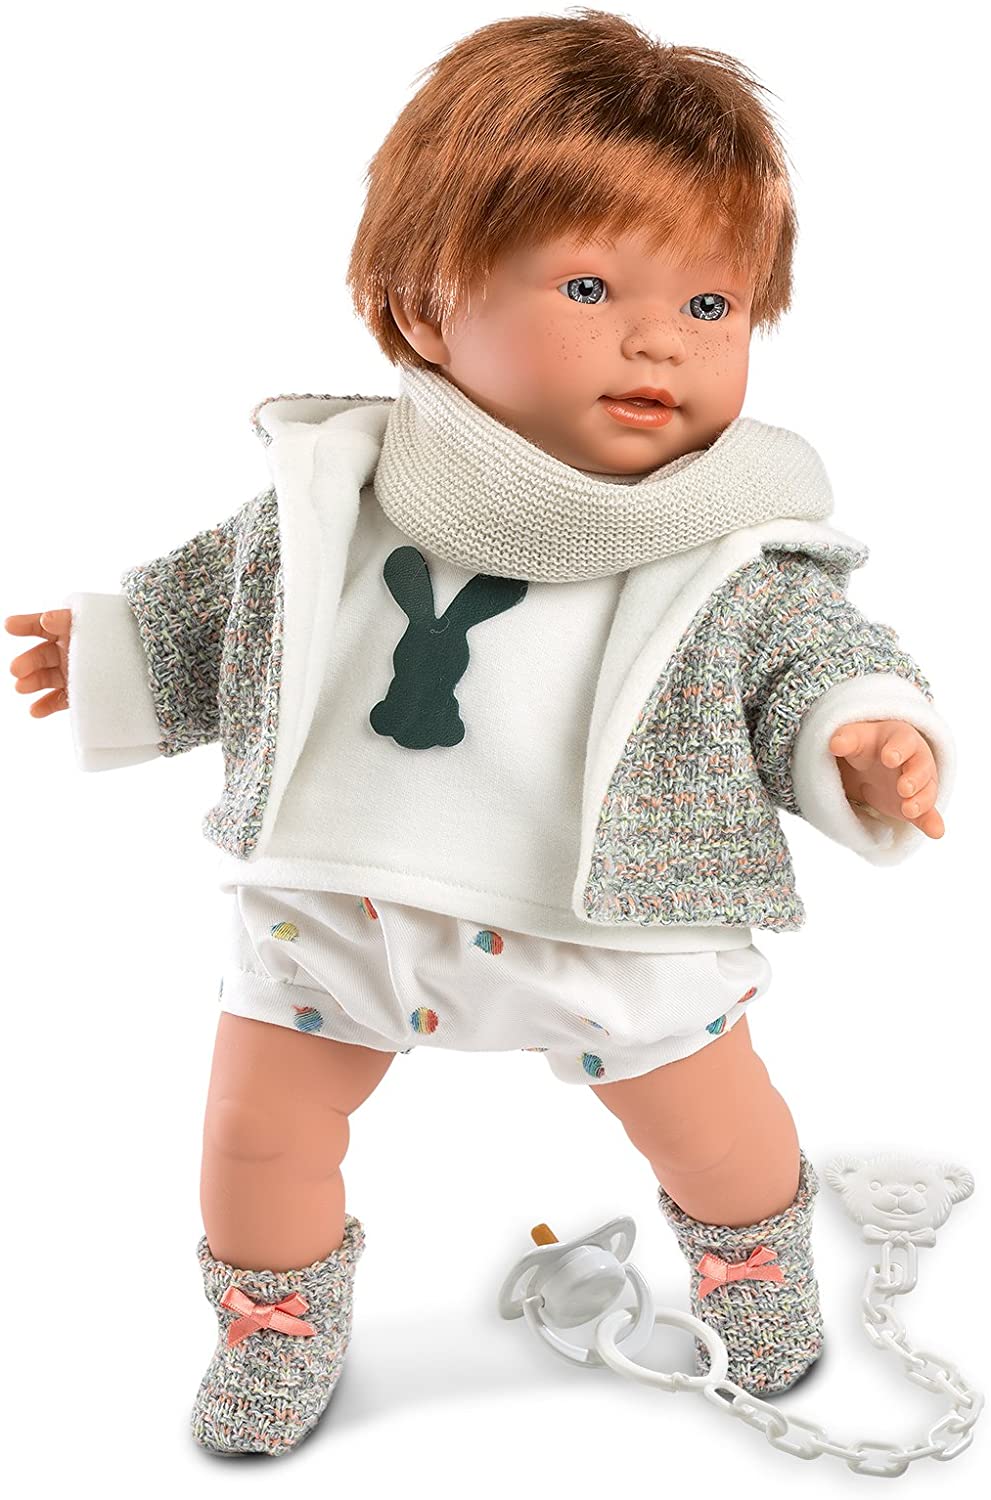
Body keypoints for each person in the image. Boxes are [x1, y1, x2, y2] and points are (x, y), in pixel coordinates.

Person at [4, 8, 954, 1458]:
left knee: (714, 1127)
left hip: (610, 917)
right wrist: (124, 648)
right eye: (590, 285)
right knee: (258, 1133)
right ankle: (273, 1322)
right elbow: (230, 597)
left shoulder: (726, 538)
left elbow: (814, 651)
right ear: (424, 304)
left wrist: (863, 731)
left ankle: (753, 1262)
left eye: (712, 305)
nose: (659, 338)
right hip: (342, 899)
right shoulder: (335, 488)